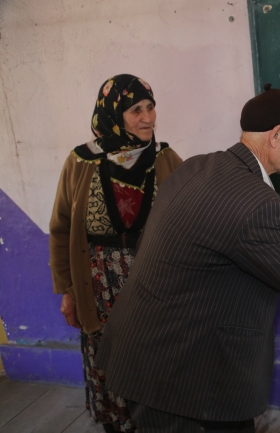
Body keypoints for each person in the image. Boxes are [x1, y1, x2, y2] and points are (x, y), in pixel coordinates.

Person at [95, 83, 280, 432]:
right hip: (179, 376)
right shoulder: (256, 204)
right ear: (276, 136)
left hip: (145, 350)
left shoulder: (196, 166)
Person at [49, 74, 183, 432]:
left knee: (157, 357)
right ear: (113, 114)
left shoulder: (166, 158)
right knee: (110, 359)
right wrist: (67, 291)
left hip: (155, 282)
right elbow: (61, 228)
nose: (148, 118)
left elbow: (192, 218)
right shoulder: (80, 162)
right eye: (136, 110)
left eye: (151, 107)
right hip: (99, 285)